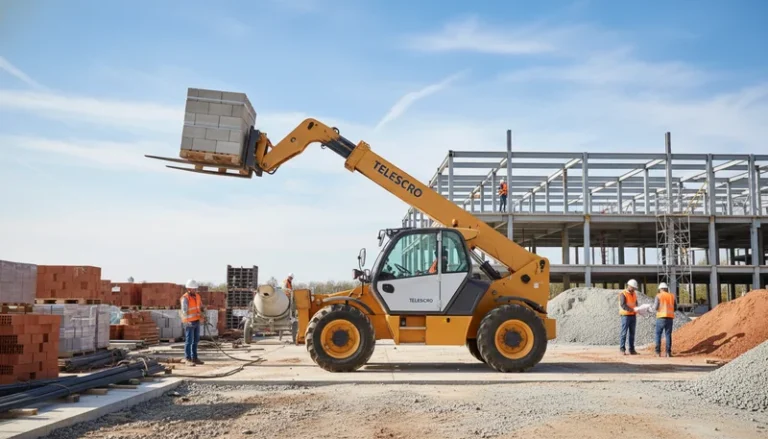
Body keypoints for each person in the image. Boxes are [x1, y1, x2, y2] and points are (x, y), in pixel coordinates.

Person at [180, 279, 205, 366]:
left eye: (195, 289)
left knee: (196, 340)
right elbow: (184, 311)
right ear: (188, 289)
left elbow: (200, 307)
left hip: (196, 321)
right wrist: (187, 322)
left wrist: (203, 314)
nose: (195, 290)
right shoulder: (185, 298)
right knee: (189, 341)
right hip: (189, 322)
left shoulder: (198, 296)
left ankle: (194, 358)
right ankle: (187, 359)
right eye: (193, 289)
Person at [652, 282, 676, 357]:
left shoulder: (658, 296)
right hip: (669, 318)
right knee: (668, 335)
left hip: (661, 317)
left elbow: (655, 307)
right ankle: (668, 353)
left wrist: (651, 308)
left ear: (661, 289)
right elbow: (675, 308)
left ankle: (657, 352)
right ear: (666, 289)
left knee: (658, 335)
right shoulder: (672, 296)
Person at [619, 279, 639, 355]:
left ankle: (632, 349)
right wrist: (631, 310)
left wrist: (638, 309)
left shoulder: (634, 294)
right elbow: (623, 304)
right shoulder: (623, 294)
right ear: (629, 286)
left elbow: (636, 303)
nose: (634, 289)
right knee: (624, 333)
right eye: (633, 287)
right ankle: (622, 349)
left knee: (632, 333)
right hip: (625, 315)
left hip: (633, 316)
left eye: (634, 288)